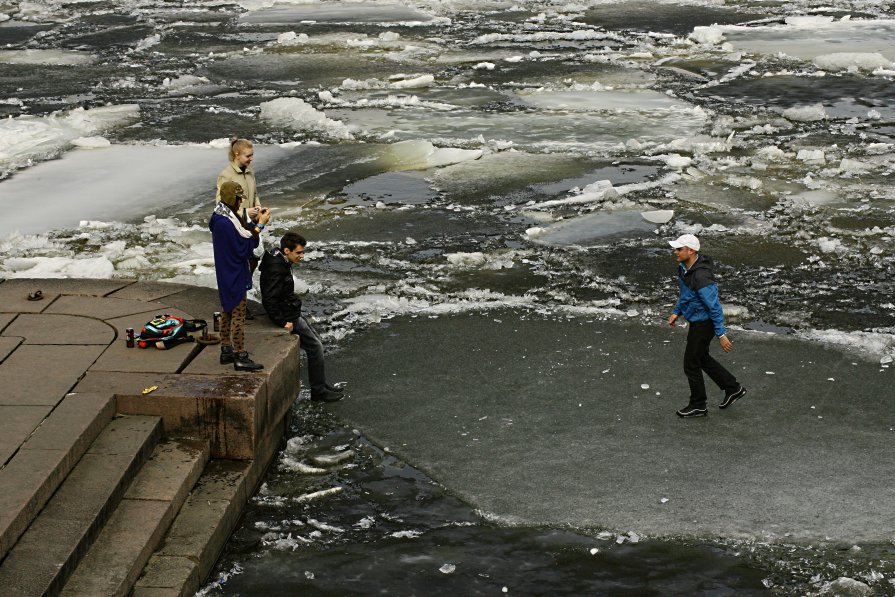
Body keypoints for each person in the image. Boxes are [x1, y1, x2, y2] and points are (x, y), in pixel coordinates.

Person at [667, 233, 746, 418]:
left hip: (705, 323)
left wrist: (721, 334)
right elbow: (686, 294)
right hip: (696, 319)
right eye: (675, 248)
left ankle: (698, 405)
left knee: (691, 363)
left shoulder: (701, 276)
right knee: (701, 358)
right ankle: (732, 388)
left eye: (679, 249)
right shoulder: (685, 268)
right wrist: (676, 311)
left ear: (691, 251)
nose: (675, 252)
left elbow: (715, 307)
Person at [259, 231, 344, 402]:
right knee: (315, 347)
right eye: (298, 252)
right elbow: (269, 299)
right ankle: (318, 390)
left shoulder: (279, 261)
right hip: (288, 315)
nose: (302, 256)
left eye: (302, 252)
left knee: (316, 342)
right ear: (286, 250)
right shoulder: (276, 268)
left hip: (290, 311)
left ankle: (320, 384)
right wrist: (283, 322)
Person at [210, 180, 270, 371]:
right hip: (234, 273)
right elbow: (244, 247)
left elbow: (241, 234)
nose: (239, 203)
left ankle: (226, 350)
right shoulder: (227, 223)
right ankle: (240, 355)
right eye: (238, 199)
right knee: (238, 314)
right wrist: (260, 226)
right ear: (232, 198)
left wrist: (252, 222)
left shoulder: (220, 216)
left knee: (227, 311)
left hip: (225, 271)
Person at [217, 137, 263, 317]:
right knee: (240, 263)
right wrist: (246, 212)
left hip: (250, 222)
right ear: (237, 155)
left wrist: (258, 209)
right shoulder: (226, 175)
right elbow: (222, 205)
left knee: (253, 259)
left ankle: (241, 298)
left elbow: (255, 194)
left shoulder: (250, 172)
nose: (251, 159)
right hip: (236, 225)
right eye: (248, 156)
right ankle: (237, 301)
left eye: (252, 155)